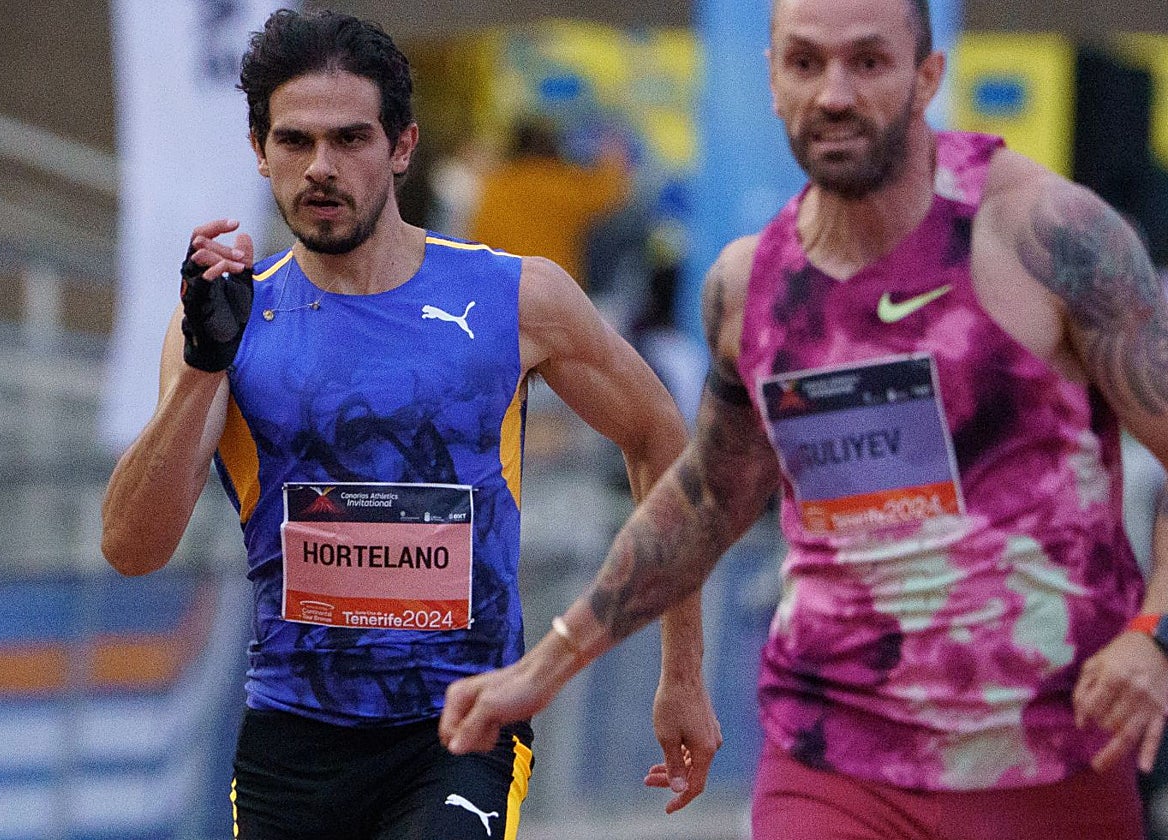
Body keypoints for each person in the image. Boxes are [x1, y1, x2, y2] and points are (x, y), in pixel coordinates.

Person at [439, 1, 1168, 838]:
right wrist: (547, 664)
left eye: (868, 62)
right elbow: (709, 498)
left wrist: (1155, 633)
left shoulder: (1049, 238)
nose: (833, 94)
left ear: (928, 77)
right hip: (830, 751)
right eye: (806, 63)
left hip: (1046, 754)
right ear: (773, 81)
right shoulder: (751, 285)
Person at [99, 9, 719, 839]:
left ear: (401, 147)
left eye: (351, 139)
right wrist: (201, 373)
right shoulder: (226, 323)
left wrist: (681, 670)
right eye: (295, 141)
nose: (321, 167)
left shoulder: (516, 298)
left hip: (464, 727)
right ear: (260, 150)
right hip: (293, 741)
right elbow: (131, 549)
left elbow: (660, 438)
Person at [467, 116, 630, 287]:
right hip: (553, 285)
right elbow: (611, 192)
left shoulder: (496, 184)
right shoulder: (563, 185)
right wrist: (613, 150)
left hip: (500, 280)